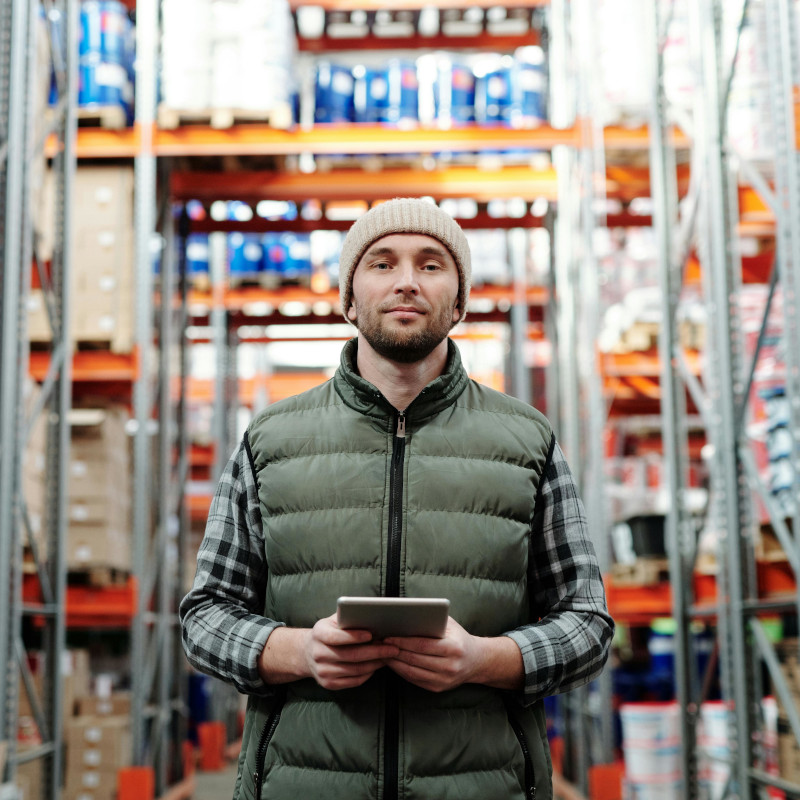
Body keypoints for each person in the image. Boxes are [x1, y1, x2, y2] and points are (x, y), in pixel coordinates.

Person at [180, 197, 614, 800]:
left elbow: (588, 623)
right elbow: (205, 618)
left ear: (459, 302)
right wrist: (301, 652)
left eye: (431, 265)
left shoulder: (528, 442)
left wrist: (483, 659)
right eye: (382, 263)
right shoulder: (268, 442)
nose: (407, 281)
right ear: (349, 298)